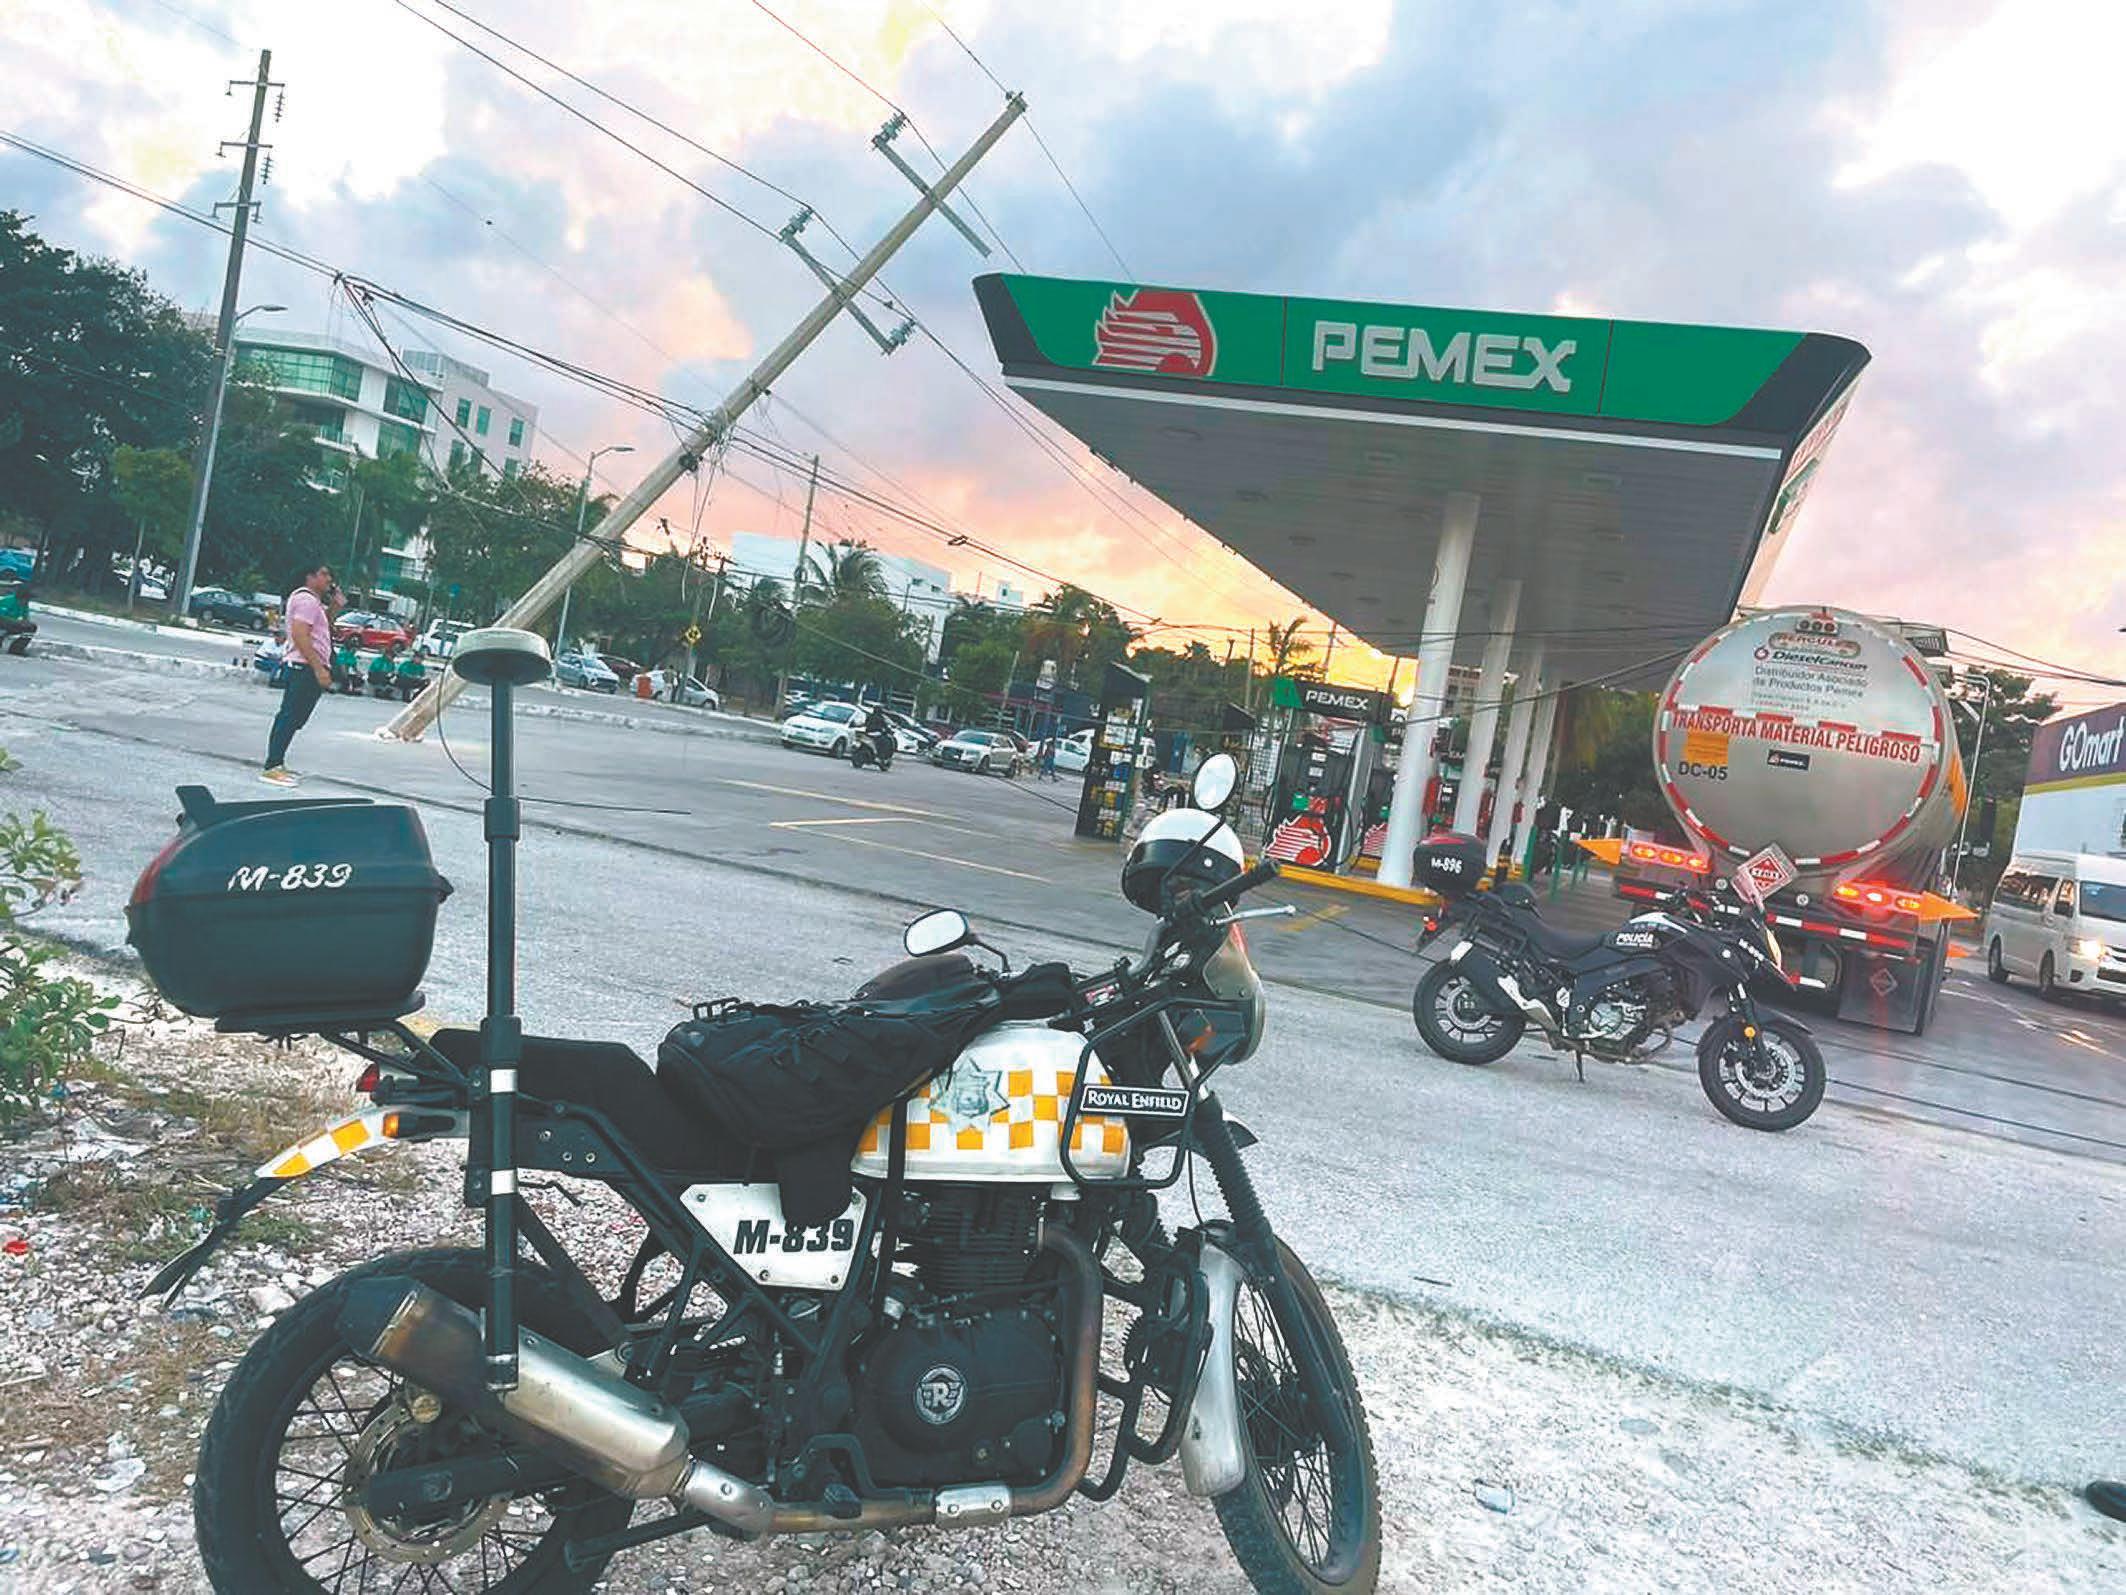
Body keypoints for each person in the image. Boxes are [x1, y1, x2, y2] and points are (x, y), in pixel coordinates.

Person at [261, 562, 335, 787]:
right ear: (309, 577)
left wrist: (336, 606)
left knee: (295, 718)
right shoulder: (306, 600)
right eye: (324, 574)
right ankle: (272, 765)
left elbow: (321, 629)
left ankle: (277, 763)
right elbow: (301, 634)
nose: (329, 579)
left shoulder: (312, 602)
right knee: (289, 716)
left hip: (307, 666)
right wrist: (318, 668)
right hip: (304, 666)